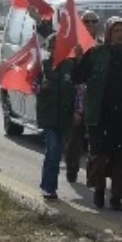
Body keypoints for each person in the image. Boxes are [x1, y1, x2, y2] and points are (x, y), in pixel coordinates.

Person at [72, 17, 122, 210]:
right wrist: (78, 59)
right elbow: (79, 77)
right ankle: (99, 189)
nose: (120, 34)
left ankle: (117, 196)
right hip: (101, 115)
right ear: (108, 34)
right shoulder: (96, 54)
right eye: (116, 31)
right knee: (100, 156)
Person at [36, 33, 77, 201]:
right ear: (49, 49)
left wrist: (76, 111)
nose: (55, 50)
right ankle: (48, 187)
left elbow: (76, 90)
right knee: (52, 151)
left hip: (64, 117)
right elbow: (32, 86)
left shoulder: (69, 66)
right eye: (52, 47)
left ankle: (51, 185)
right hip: (49, 117)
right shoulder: (43, 67)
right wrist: (40, 87)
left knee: (57, 152)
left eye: (58, 47)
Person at [64, 9, 102, 183]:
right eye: (87, 21)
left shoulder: (101, 45)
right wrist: (78, 58)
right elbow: (70, 74)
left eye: (94, 21)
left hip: (96, 98)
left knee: (95, 140)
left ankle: (92, 176)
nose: (91, 25)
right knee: (75, 139)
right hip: (77, 99)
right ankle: (71, 170)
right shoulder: (73, 45)